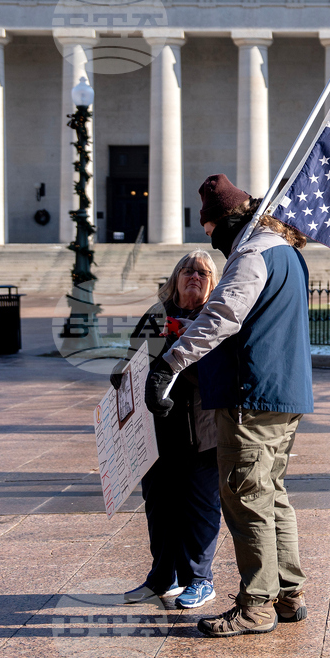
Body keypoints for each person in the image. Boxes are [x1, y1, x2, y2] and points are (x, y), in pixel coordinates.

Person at [145, 174, 313, 638]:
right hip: (282, 392)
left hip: (250, 396)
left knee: (246, 499)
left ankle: (256, 605)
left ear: (226, 221)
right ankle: (287, 592)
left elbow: (223, 314)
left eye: (210, 228)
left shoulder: (253, 253)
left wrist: (170, 364)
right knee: (271, 494)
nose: (210, 241)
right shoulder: (286, 253)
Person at [115, 250, 222, 610]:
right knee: (159, 505)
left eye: (203, 274)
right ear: (175, 278)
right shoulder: (155, 314)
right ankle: (163, 577)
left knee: (200, 506)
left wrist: (172, 361)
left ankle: (200, 579)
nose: (194, 277)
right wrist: (123, 370)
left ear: (213, 284)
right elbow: (134, 354)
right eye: (188, 271)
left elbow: (217, 373)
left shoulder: (215, 317)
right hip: (155, 431)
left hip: (201, 429)